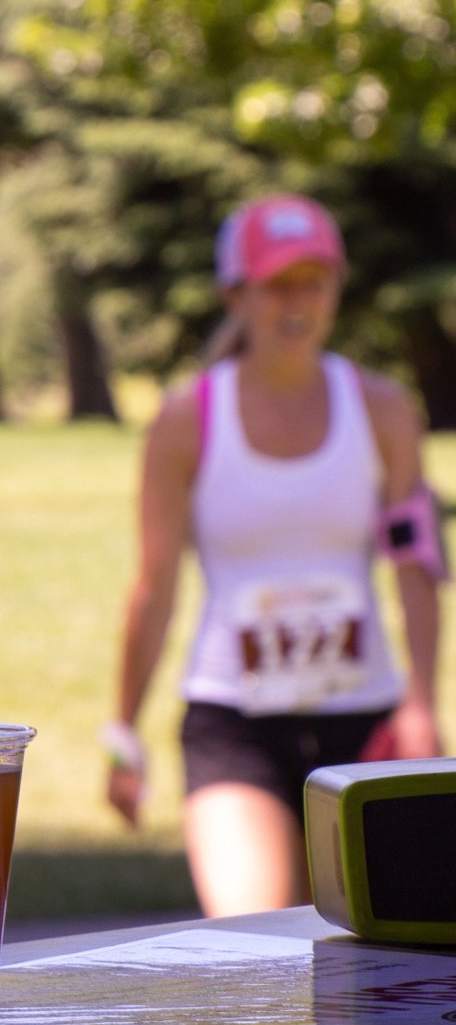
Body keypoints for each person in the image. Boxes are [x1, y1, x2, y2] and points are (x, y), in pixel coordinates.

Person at [102, 193, 446, 917]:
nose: (298, 302)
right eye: (278, 284)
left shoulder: (381, 408)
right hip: (233, 721)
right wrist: (123, 732)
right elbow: (153, 588)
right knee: (251, 943)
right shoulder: (186, 419)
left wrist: (421, 702)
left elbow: (416, 565)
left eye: (314, 281)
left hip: (366, 722)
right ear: (237, 294)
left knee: (385, 959)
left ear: (336, 288)